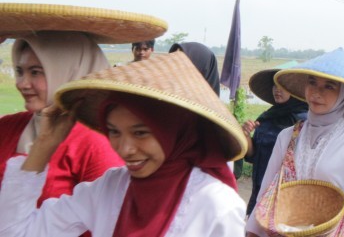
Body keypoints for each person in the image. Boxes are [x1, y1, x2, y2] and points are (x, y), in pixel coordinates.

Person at [0, 51, 247, 236]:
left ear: (176, 132)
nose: (124, 149)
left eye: (141, 133)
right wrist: (44, 145)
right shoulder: (109, 188)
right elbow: (18, 231)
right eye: (114, 132)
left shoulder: (215, 205)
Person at [246, 48, 344, 237]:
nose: (316, 93)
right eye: (312, 82)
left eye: (329, 86)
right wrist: (252, 231)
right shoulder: (288, 136)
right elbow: (267, 189)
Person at [1, 32, 123, 211]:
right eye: (19, 71)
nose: (22, 84)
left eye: (35, 72)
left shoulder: (96, 141)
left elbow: (108, 216)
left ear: (70, 72)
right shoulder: (7, 127)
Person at [243, 69, 308, 215]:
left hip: (286, 191)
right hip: (260, 187)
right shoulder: (267, 117)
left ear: (293, 91)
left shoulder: (304, 122)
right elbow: (253, 156)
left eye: (283, 86)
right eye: (274, 86)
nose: (277, 90)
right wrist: (246, 135)